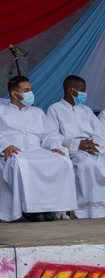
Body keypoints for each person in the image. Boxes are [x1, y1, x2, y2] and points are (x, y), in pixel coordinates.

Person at [46, 75, 105, 219]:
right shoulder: (55, 109)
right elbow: (51, 135)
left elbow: (102, 133)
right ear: (70, 90)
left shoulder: (86, 110)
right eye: (82, 91)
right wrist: (77, 144)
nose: (84, 94)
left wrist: (94, 146)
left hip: (96, 149)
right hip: (75, 151)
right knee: (87, 164)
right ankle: (88, 210)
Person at [0, 77, 77, 222]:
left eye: (31, 90)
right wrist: (5, 145)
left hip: (38, 150)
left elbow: (50, 133)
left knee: (63, 161)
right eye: (27, 90)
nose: (31, 93)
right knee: (20, 164)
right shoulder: (1, 111)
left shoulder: (37, 112)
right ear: (14, 94)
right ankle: (28, 210)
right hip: (14, 151)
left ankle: (51, 208)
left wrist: (54, 146)